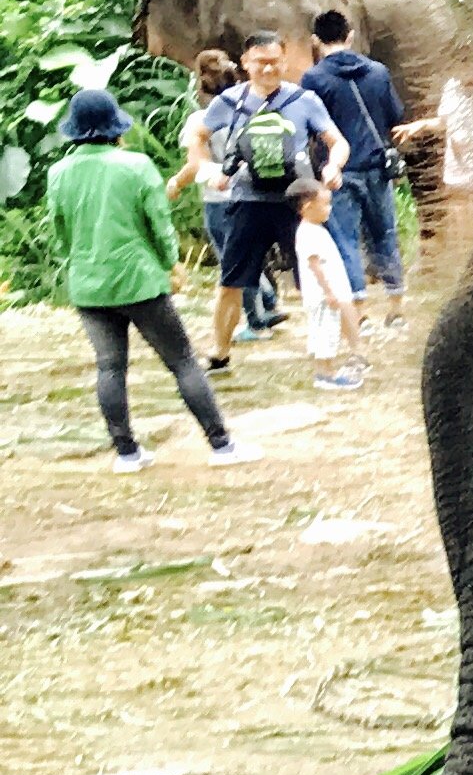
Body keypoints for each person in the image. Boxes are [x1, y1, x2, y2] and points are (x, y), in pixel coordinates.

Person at [42, 89, 246, 469]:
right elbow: (159, 225)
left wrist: (79, 261)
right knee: (182, 361)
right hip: (139, 280)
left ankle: (126, 452)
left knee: (109, 367)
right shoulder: (136, 166)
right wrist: (171, 264)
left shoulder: (59, 173)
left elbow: (60, 232)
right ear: (115, 129)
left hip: (88, 283)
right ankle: (221, 445)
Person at [182, 34, 348, 379]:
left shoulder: (305, 100)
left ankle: (337, 352)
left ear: (284, 61)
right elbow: (197, 136)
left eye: (274, 60)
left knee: (319, 278)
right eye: (260, 61)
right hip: (246, 201)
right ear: (245, 63)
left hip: (297, 203)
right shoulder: (229, 101)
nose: (268, 68)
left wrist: (333, 167)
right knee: (231, 281)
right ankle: (219, 353)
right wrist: (208, 171)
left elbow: (337, 141)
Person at [298, 22, 411, 326]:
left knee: (345, 239)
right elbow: (395, 116)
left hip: (337, 171)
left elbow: (310, 125)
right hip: (377, 168)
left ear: (315, 40)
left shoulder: (314, 78)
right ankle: (396, 306)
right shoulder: (378, 72)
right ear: (349, 36)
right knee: (384, 233)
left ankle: (360, 312)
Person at [292, 185, 367, 390]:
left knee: (322, 332)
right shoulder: (308, 233)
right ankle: (326, 374)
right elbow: (314, 265)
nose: (330, 209)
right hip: (323, 296)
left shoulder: (315, 230)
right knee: (326, 333)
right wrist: (329, 292)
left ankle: (324, 372)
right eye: (325, 204)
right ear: (307, 207)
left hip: (326, 295)